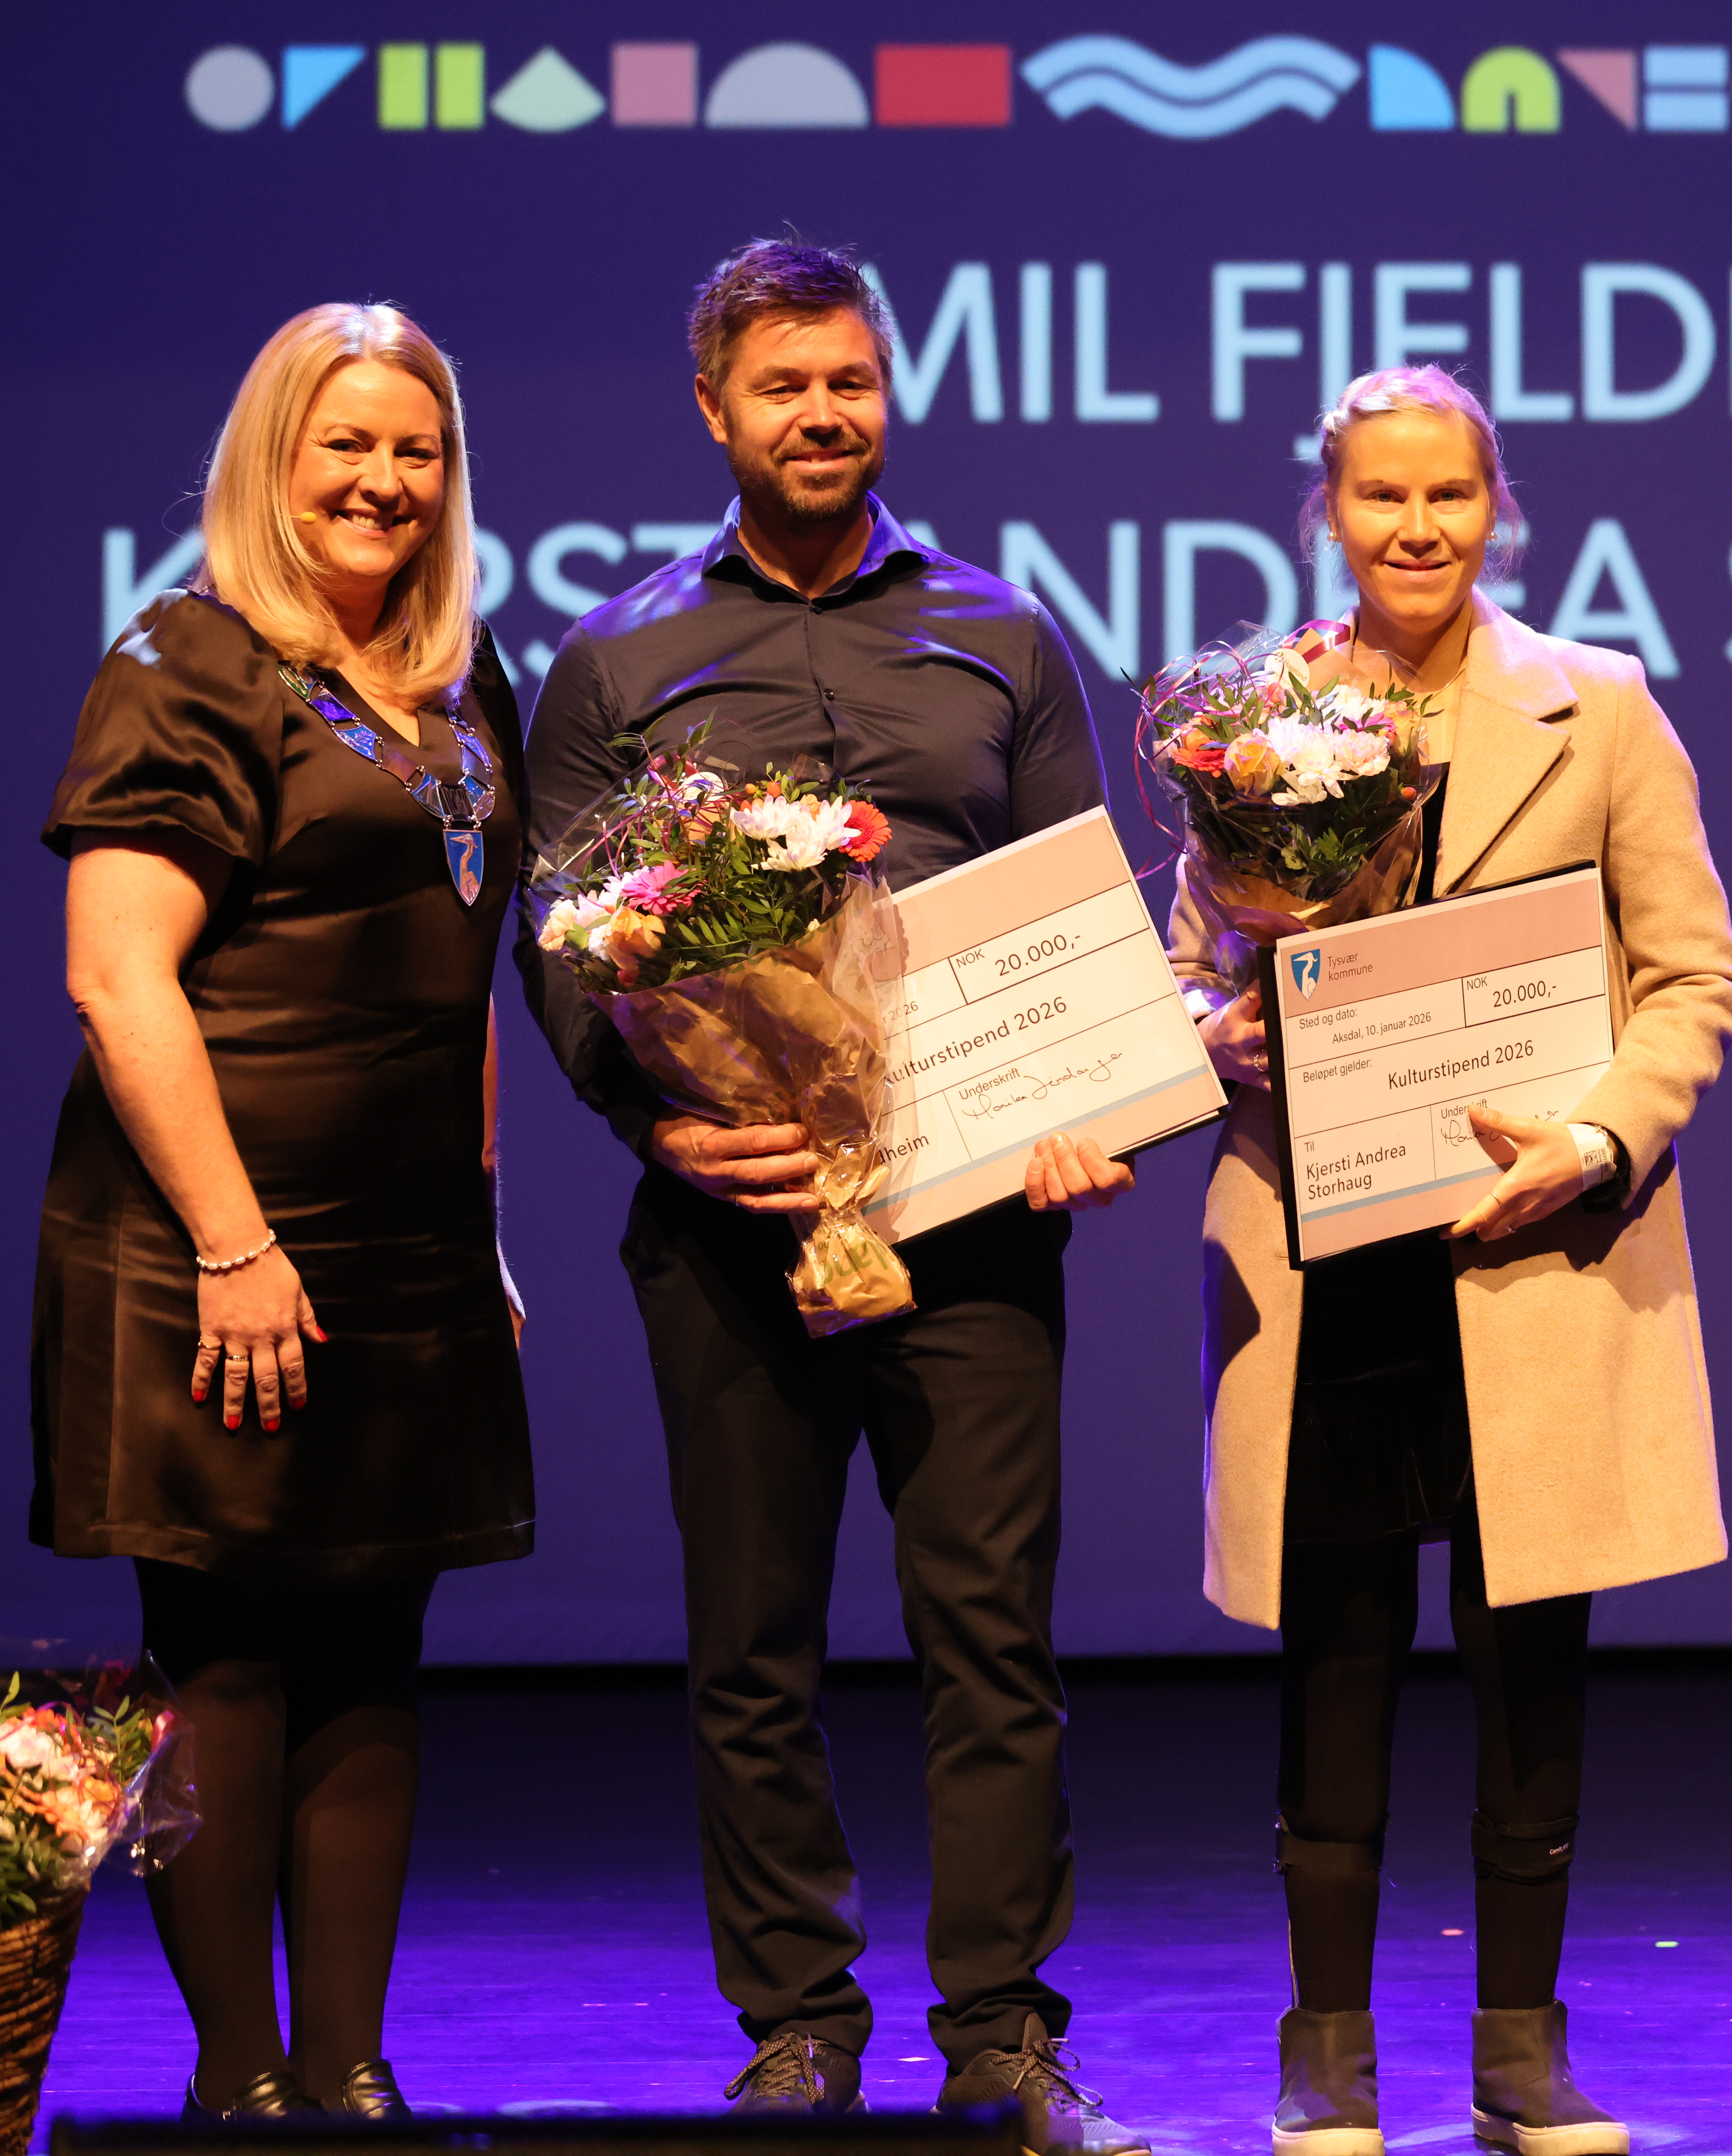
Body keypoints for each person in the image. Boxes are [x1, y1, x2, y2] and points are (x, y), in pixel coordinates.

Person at [514, 240, 1148, 2150]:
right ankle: (794, 2017)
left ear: (889, 397)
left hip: (970, 1228)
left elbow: (1078, 922)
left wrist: (1083, 1105)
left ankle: (1000, 2033)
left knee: (991, 1637)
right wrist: (663, 1126)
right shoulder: (617, 659)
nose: (821, 414)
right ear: (714, 410)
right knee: (752, 1642)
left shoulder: (1006, 636)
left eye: (850, 382)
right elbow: (564, 962)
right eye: (783, 386)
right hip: (729, 1232)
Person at [1171, 366, 1732, 2156]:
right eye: (1379, 497)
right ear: (1325, 512)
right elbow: (1186, 967)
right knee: (1331, 1655)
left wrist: (1592, 1137)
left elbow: (1693, 979)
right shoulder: (1254, 726)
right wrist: (1218, 1039)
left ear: (1498, 507)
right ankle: (1324, 2050)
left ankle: (1521, 2052)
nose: (1415, 527)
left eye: (1448, 496)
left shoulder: (1604, 710)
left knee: (1528, 1664)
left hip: (1533, 1251)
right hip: (1326, 1256)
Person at [32, 303, 533, 2123]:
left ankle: (350, 2067)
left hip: (399, 1254)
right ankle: (236, 2073)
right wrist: (238, 1252)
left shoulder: (466, 680)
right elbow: (118, 980)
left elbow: (459, 979)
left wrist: (473, 1235)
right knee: (232, 1653)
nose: (383, 480)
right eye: (347, 445)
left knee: (373, 1653)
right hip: (209, 1245)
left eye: (414, 448)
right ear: (272, 459)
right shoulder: (188, 661)